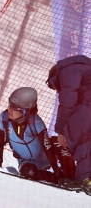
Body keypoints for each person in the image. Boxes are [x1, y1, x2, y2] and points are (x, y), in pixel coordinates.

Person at [0, 87, 73, 184]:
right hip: (27, 161)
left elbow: (47, 147)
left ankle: (71, 176)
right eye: (9, 105)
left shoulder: (35, 121)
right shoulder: (3, 118)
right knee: (27, 173)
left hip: (46, 156)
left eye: (14, 108)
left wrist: (57, 171)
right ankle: (57, 179)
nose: (9, 110)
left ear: (25, 111)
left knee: (59, 143)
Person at [46, 55, 91, 195]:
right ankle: (85, 179)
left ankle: (83, 178)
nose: (57, 91)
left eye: (54, 87)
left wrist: (61, 132)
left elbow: (67, 103)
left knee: (76, 139)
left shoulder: (67, 71)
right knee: (87, 141)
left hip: (87, 109)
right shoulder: (83, 66)